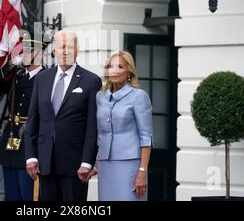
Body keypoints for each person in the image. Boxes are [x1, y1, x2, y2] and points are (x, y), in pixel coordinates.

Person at [25, 30, 102, 201]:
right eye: (61, 47)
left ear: (77, 50)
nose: (65, 51)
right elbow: (33, 120)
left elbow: (92, 127)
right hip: (45, 164)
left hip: (75, 167)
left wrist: (87, 162)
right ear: (54, 50)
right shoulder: (42, 79)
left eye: (70, 47)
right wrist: (31, 156)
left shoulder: (91, 81)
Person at [87, 50, 153, 201]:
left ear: (129, 71)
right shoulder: (100, 97)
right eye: (111, 66)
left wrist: (142, 171)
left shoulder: (139, 96)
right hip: (105, 165)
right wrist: (96, 165)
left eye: (120, 67)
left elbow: (146, 137)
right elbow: (99, 134)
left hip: (130, 164)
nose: (115, 70)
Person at [0, 30, 48, 201]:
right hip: (12, 139)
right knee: (12, 194)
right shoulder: (17, 75)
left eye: (31, 50)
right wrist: (10, 64)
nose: (26, 53)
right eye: (24, 49)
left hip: (31, 142)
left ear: (41, 52)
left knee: (28, 195)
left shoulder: (47, 77)